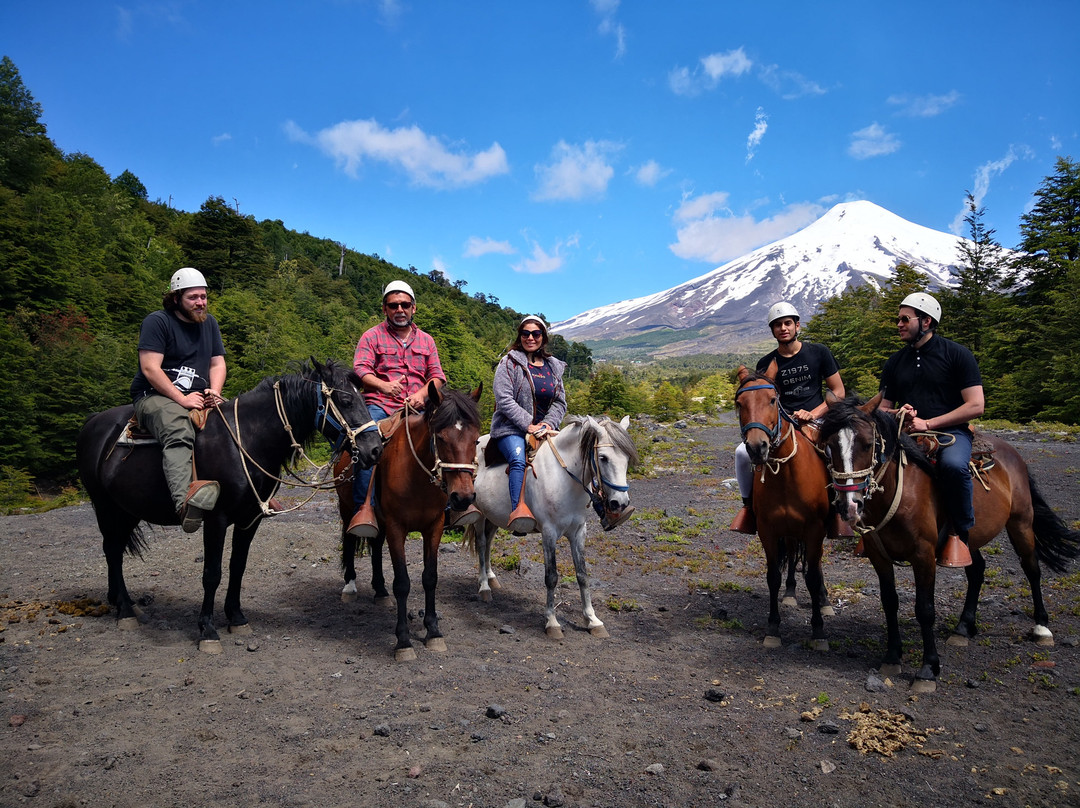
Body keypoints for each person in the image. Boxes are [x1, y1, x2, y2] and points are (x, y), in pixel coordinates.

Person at [879, 292, 984, 568]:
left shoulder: (957, 355)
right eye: (898, 319)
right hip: (906, 433)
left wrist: (929, 423)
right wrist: (899, 413)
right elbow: (882, 409)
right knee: (874, 462)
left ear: (926, 321)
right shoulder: (894, 362)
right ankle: (872, 531)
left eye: (905, 319)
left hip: (952, 433)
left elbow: (975, 405)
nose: (899, 324)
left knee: (952, 466)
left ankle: (960, 532)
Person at [346, 280, 452, 538]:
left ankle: (453, 506)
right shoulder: (371, 336)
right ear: (385, 308)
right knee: (366, 445)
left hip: (419, 408)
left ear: (413, 308)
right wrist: (383, 386)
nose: (400, 309)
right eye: (394, 305)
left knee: (452, 436)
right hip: (381, 405)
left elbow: (437, 376)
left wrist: (421, 393)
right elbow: (360, 369)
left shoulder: (427, 340)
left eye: (405, 304)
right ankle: (365, 508)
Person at [730, 302, 846, 534]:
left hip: (817, 418)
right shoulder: (766, 363)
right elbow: (763, 400)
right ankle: (748, 508)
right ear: (773, 331)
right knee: (742, 453)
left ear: (797, 326)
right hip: (782, 422)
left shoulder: (818, 353)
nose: (783, 328)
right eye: (778, 325)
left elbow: (839, 392)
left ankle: (839, 508)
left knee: (839, 448)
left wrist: (812, 414)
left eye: (787, 323)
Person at [130, 267, 227, 533]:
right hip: (155, 395)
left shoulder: (210, 323)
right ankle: (184, 504)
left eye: (203, 297)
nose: (200, 303)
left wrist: (215, 392)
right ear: (176, 298)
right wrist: (181, 399)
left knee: (236, 423)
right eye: (193, 297)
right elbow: (150, 368)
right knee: (178, 429)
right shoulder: (157, 322)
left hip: (200, 395)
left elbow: (217, 363)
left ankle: (249, 494)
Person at [489, 316, 569, 533]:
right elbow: (504, 399)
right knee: (517, 458)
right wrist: (528, 425)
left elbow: (561, 402)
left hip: (545, 429)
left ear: (543, 337)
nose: (530, 338)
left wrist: (547, 423)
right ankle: (519, 513)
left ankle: (590, 505)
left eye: (536, 333)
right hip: (510, 429)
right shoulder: (509, 363)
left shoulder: (553, 367)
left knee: (572, 457)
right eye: (526, 333)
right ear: (520, 336)